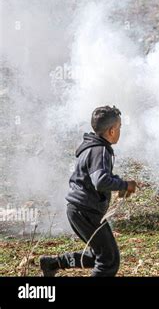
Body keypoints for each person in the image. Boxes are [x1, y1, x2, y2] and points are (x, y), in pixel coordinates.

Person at [39, 105, 137, 276]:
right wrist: (124, 185)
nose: (120, 131)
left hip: (80, 210)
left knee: (99, 255)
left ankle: (53, 264)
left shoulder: (92, 146)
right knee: (108, 261)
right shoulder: (100, 150)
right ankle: (53, 264)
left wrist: (117, 183)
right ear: (112, 130)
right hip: (86, 211)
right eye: (120, 127)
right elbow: (100, 181)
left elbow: (99, 178)